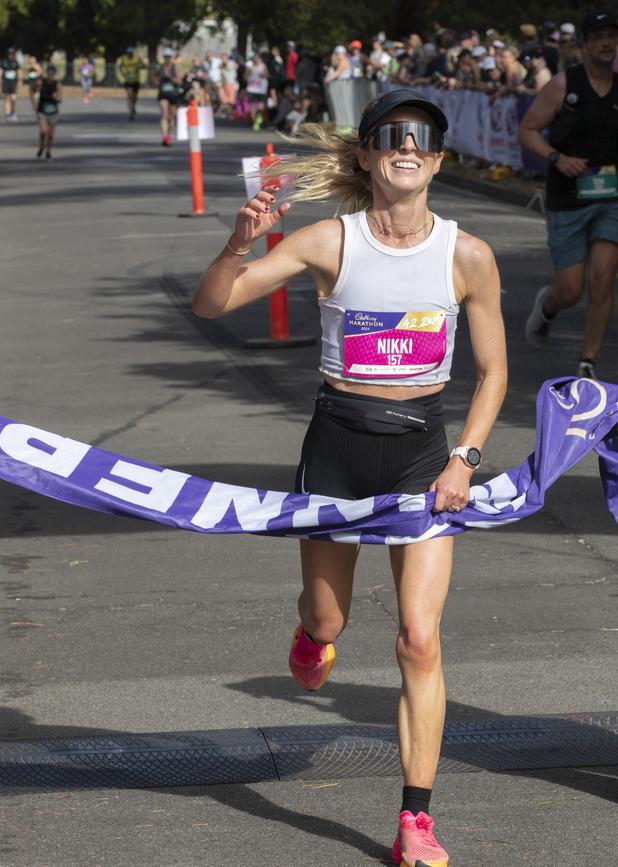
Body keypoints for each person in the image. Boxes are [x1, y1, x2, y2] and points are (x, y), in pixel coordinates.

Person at [192, 88, 507, 867]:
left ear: (437, 159)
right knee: (330, 624)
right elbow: (212, 304)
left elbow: (496, 372)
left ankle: (416, 820)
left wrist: (465, 457)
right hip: (336, 448)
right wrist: (239, 243)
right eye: (392, 136)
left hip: (421, 456)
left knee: (420, 640)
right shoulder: (329, 241)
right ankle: (312, 633)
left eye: (424, 139)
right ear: (366, 154)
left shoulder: (467, 255)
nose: (409, 146)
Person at [519, 9, 618, 380]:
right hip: (569, 198)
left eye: (612, 36)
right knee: (571, 289)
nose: (607, 43)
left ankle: (587, 363)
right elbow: (527, 131)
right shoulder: (564, 85)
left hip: (611, 198)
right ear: (585, 44)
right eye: (598, 37)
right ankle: (547, 306)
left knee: (603, 278)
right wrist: (557, 158)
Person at [36, 64, 62, 159]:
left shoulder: (57, 84)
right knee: (44, 130)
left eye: (52, 73)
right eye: (49, 73)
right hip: (42, 109)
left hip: (53, 111)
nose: (50, 75)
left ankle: (49, 150)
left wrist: (56, 97)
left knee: (50, 134)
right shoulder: (41, 82)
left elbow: (60, 99)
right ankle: (42, 145)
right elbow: (32, 90)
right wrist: (33, 102)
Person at [154, 48, 180, 146]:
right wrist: (157, 82)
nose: (167, 58)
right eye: (165, 56)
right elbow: (153, 76)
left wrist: (170, 78)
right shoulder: (159, 67)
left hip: (173, 94)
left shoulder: (175, 67)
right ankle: (164, 136)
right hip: (163, 93)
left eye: (169, 57)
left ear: (171, 57)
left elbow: (179, 81)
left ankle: (169, 134)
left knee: (171, 116)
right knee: (164, 114)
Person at [118, 47, 145, 120]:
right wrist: (122, 73)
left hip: (136, 80)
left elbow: (144, 66)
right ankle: (130, 112)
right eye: (129, 54)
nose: (130, 55)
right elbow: (120, 66)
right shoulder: (124, 59)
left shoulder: (137, 58)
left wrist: (138, 68)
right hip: (127, 81)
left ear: (133, 53)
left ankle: (133, 107)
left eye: (131, 53)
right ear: (127, 53)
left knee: (134, 97)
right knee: (129, 96)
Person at [0, 47, 20, 122]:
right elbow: (0, 73)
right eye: (9, 54)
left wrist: (19, 82)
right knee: (6, 99)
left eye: (12, 54)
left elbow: (19, 73)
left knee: (13, 98)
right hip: (5, 83)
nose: (10, 55)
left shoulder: (16, 62)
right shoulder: (4, 62)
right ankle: (7, 115)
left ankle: (13, 111)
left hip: (13, 83)